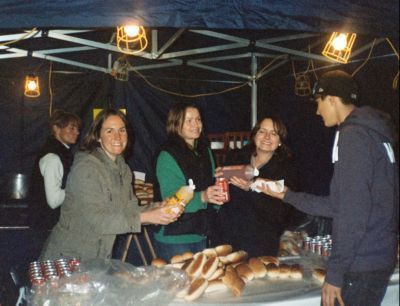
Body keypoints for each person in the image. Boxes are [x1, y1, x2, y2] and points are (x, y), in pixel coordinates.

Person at [260, 70, 399, 306]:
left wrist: (335, 273)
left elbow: (352, 213)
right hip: (377, 257)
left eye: (318, 102)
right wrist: (286, 195)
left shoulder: (353, 136)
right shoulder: (374, 133)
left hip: (360, 264)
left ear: (332, 99)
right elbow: (339, 204)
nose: (317, 110)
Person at [41, 109, 181, 260]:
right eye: (109, 131)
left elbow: (129, 208)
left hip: (98, 256)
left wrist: (158, 208)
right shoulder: (86, 169)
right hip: (68, 258)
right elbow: (98, 221)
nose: (117, 136)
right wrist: (147, 216)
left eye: (122, 130)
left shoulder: (123, 169)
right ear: (98, 137)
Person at [215, 116, 300, 257]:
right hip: (227, 238)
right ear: (254, 136)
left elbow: (280, 213)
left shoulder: (286, 169)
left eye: (274, 133)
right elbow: (222, 196)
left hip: (260, 244)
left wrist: (252, 188)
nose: (267, 137)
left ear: (280, 141)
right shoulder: (236, 157)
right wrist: (219, 178)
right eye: (262, 131)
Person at [153, 102, 226, 261]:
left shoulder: (204, 150)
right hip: (174, 237)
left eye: (198, 119)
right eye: (189, 120)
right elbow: (171, 201)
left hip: (201, 233)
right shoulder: (167, 155)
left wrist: (220, 188)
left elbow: (211, 184)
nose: (196, 124)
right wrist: (203, 197)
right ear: (176, 124)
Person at [29, 110, 81, 245]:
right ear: (56, 129)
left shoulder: (62, 153)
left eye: (77, 128)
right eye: (71, 128)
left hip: (51, 226)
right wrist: (79, 186)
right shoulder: (52, 157)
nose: (77, 132)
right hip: (47, 229)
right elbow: (53, 201)